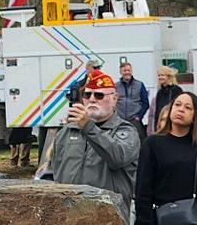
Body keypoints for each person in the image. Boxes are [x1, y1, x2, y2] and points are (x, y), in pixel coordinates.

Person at [50, 69, 140, 220]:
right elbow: (56, 170)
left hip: (108, 216)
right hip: (70, 215)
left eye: (99, 95)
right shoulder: (67, 131)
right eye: (87, 94)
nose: (92, 99)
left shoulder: (126, 131)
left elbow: (117, 157)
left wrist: (88, 127)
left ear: (114, 98)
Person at [134, 91, 197, 225]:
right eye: (177, 105)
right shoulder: (152, 144)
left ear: (195, 116)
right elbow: (143, 191)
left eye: (188, 107)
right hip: (161, 218)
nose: (181, 109)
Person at [116, 62, 150, 140]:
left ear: (131, 71)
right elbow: (112, 103)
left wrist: (139, 116)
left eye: (128, 70)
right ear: (121, 72)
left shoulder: (139, 85)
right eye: (124, 70)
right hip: (120, 121)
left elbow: (146, 103)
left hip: (135, 121)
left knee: (139, 142)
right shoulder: (116, 86)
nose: (127, 72)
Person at [149, 66, 182, 133]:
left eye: (162, 75)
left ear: (168, 76)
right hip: (161, 123)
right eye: (159, 75)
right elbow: (157, 111)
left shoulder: (176, 90)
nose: (160, 77)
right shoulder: (160, 92)